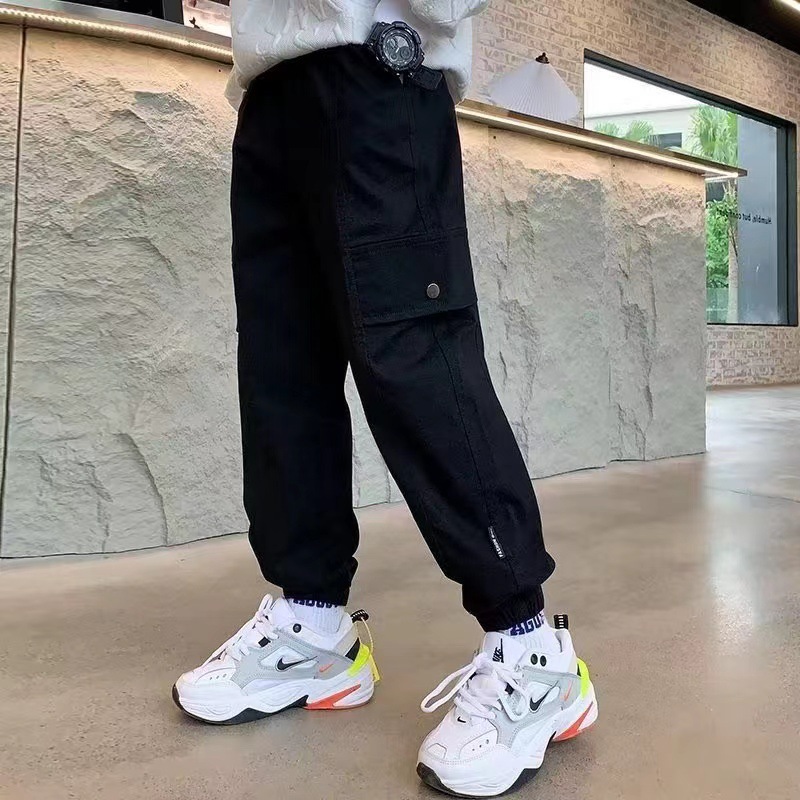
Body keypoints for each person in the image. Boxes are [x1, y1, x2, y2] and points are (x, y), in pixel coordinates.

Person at [172, 0, 598, 795]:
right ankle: (314, 626)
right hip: (269, 87)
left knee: (417, 361)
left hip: (377, 72)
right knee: (282, 372)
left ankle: (532, 650)